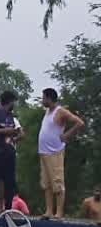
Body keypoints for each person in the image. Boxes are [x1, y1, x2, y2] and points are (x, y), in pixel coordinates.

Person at [37, 88, 85, 220]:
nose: (42, 100)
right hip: (43, 152)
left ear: (49, 98)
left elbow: (79, 123)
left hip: (55, 151)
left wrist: (67, 135)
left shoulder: (60, 111)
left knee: (57, 182)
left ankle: (59, 213)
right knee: (46, 183)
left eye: (43, 98)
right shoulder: (47, 112)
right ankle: (48, 211)